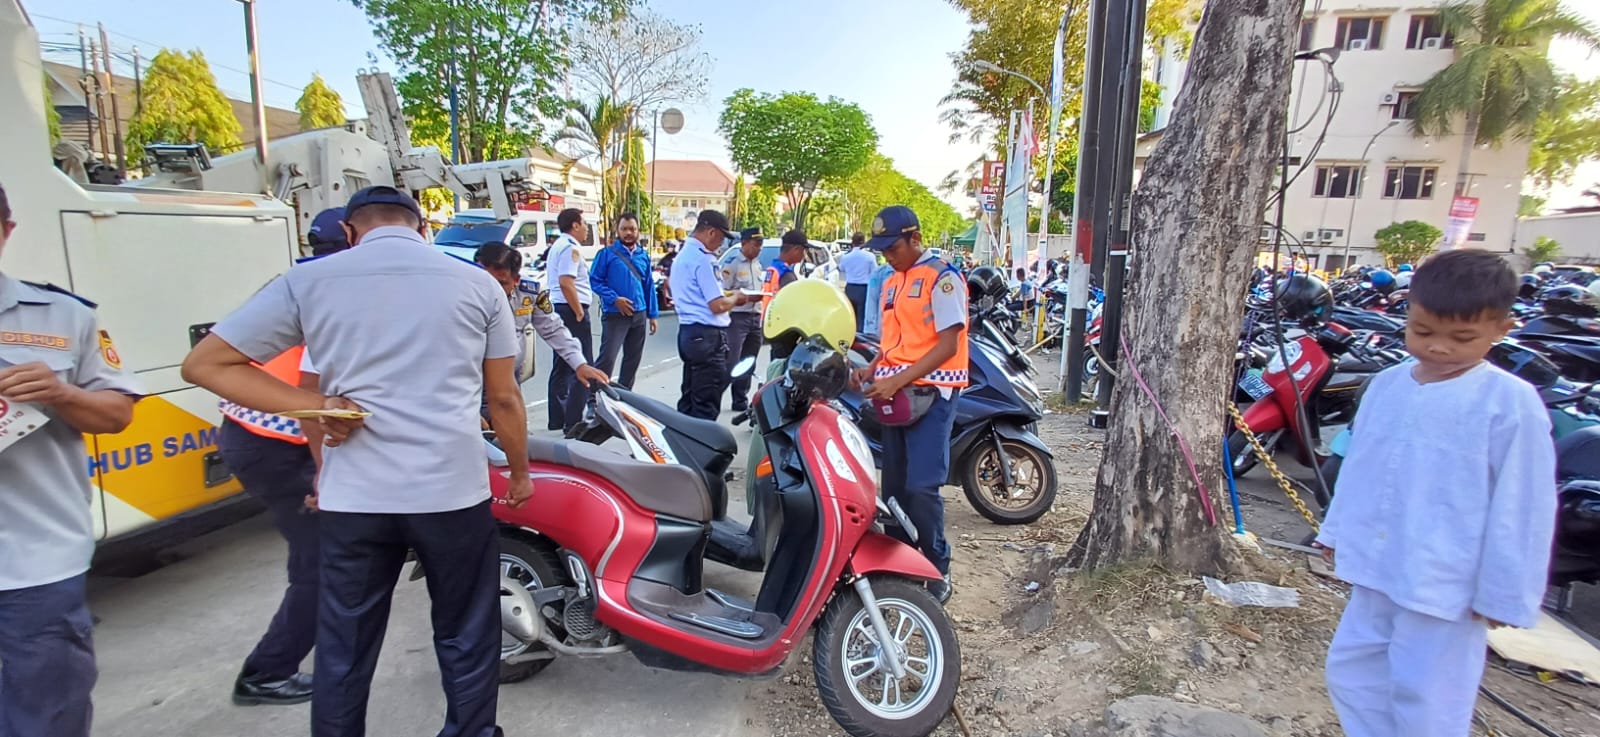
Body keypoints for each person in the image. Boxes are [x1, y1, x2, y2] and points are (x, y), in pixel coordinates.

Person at [182, 185, 531, 737]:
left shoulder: (310, 283)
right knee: (466, 630)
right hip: (450, 492)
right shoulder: (477, 285)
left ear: (349, 231)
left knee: (345, 644)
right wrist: (518, 473)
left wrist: (319, 420)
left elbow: (206, 365)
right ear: (421, 229)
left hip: (356, 500)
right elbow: (505, 397)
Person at [1316, 249, 1556, 737]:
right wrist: (1337, 531)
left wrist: (1503, 591)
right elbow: (1361, 466)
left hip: (1448, 578)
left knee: (1428, 692)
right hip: (1380, 564)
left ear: (1501, 330)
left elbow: (1524, 505)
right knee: (1354, 671)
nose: (1440, 348)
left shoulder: (1509, 403)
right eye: (1423, 332)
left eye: (1462, 338)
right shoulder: (1386, 385)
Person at [0, 180, 140, 737]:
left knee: (47, 714)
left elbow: (117, 414)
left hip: (34, 562)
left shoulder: (61, 316)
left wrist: (62, 394)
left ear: (6, 232)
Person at [218, 207, 351, 709]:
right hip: (278, 442)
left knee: (325, 556)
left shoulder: (297, 278)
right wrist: (325, 477)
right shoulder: (330, 290)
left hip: (250, 433)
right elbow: (309, 398)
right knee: (320, 562)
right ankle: (267, 672)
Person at [853, 205, 966, 603]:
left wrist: (898, 379)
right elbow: (895, 343)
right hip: (896, 396)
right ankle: (903, 566)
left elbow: (948, 344)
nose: (888, 256)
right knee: (895, 488)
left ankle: (937, 564)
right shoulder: (891, 282)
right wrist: (873, 368)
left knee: (921, 487)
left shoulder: (943, 278)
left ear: (915, 238)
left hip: (933, 394)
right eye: (882, 249)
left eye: (894, 247)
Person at [473, 242, 607, 402]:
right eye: (485, 281)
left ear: (516, 279)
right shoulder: (464, 294)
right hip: (473, 375)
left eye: (501, 283)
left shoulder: (529, 291)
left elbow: (553, 328)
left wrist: (579, 364)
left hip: (509, 374)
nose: (492, 289)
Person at [667, 210, 756, 420]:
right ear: (711, 232)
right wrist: (736, 297)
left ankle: (683, 445)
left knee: (690, 398)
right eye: (722, 237)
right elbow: (717, 305)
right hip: (708, 336)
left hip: (689, 333)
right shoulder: (703, 260)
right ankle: (702, 451)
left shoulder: (683, 256)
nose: (722, 243)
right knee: (706, 401)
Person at [589, 212, 658, 389]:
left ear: (638, 231)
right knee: (607, 358)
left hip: (639, 314)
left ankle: (625, 399)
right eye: (624, 229)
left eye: (632, 229)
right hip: (615, 315)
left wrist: (653, 315)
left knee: (632, 360)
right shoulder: (606, 254)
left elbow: (649, 285)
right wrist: (614, 299)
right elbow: (595, 280)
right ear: (617, 231)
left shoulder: (643, 256)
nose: (629, 232)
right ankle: (595, 400)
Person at [546, 208, 595, 432]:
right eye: (584, 223)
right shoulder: (570, 248)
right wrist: (578, 311)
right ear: (575, 225)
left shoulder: (558, 245)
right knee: (580, 363)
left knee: (562, 364)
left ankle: (557, 417)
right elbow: (567, 282)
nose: (586, 229)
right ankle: (573, 420)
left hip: (560, 306)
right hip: (570, 308)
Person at [720, 227, 766, 412]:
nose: (759, 248)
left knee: (749, 360)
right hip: (737, 318)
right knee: (731, 361)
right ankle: (713, 396)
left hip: (755, 317)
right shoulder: (732, 264)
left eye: (761, 245)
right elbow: (722, 293)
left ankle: (740, 399)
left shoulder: (757, 265)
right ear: (744, 243)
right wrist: (745, 297)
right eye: (756, 244)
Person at [761, 230, 809, 360]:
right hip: (784, 328)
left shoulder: (773, 268)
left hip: (770, 323)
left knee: (775, 362)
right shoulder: (786, 274)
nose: (804, 255)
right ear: (795, 249)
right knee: (782, 366)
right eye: (803, 251)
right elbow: (793, 303)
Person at [838, 232, 876, 331]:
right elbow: (874, 271)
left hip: (850, 288)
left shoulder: (846, 257)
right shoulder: (870, 256)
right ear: (863, 242)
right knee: (862, 316)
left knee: (850, 315)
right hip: (863, 289)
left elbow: (841, 268)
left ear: (852, 242)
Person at [862, 259, 894, 341]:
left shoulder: (920, 272)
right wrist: (870, 330)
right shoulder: (880, 273)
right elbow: (871, 302)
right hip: (884, 333)